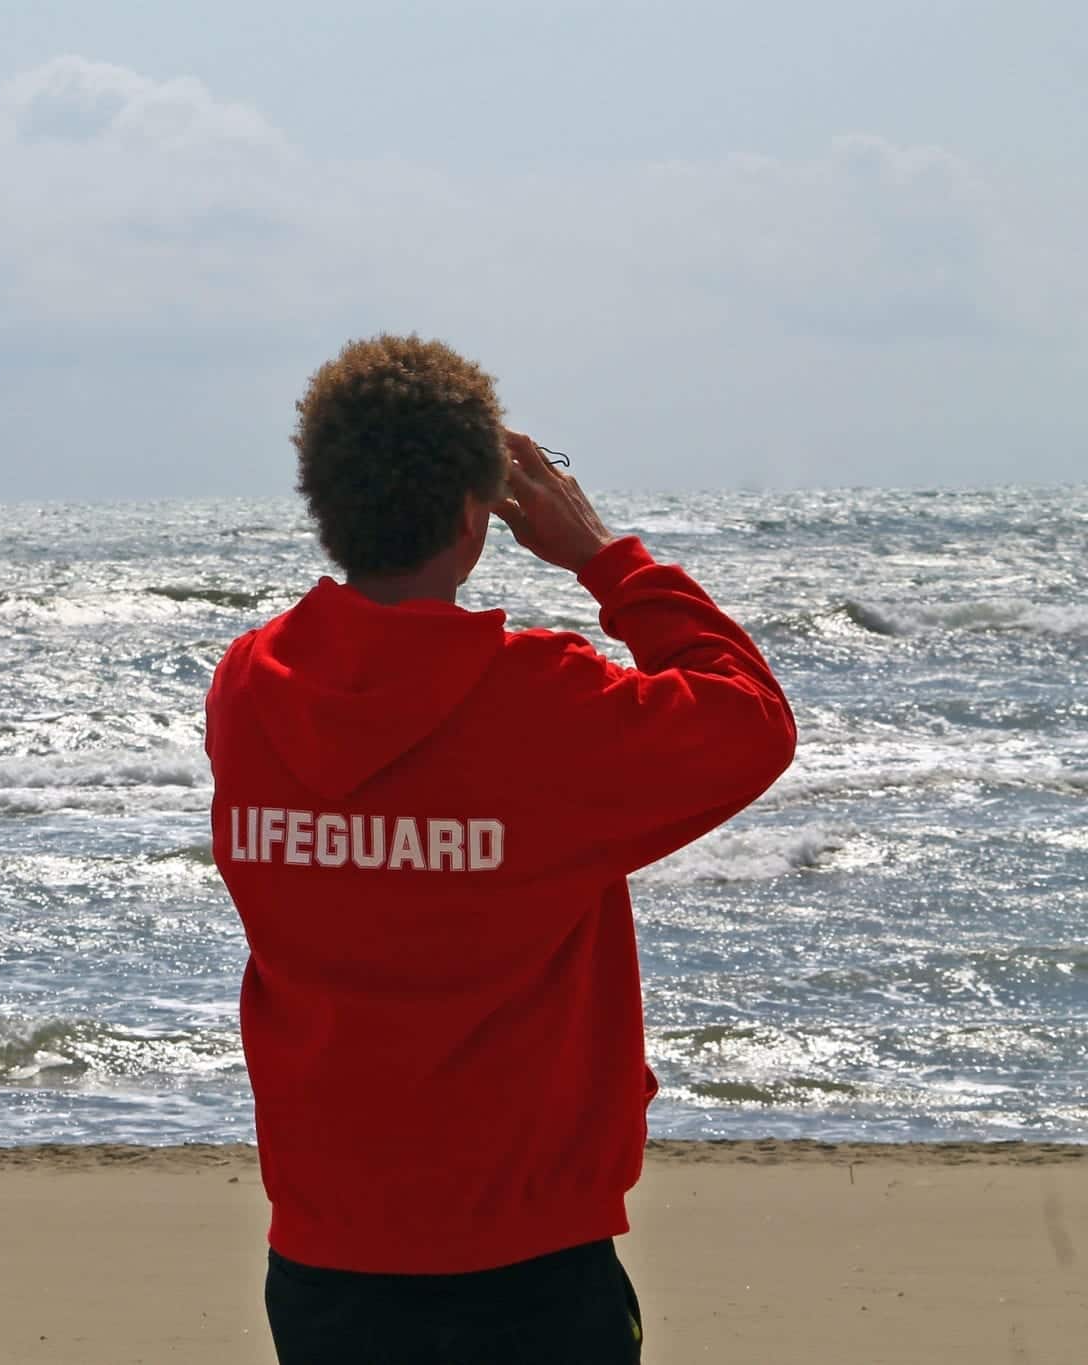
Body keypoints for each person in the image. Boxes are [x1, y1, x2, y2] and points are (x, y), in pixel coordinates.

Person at [204, 334, 796, 1363]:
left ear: (323, 501)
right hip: (527, 1257)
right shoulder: (544, 703)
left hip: (325, 1251)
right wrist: (606, 557)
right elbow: (749, 720)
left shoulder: (249, 688)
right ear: (479, 515)